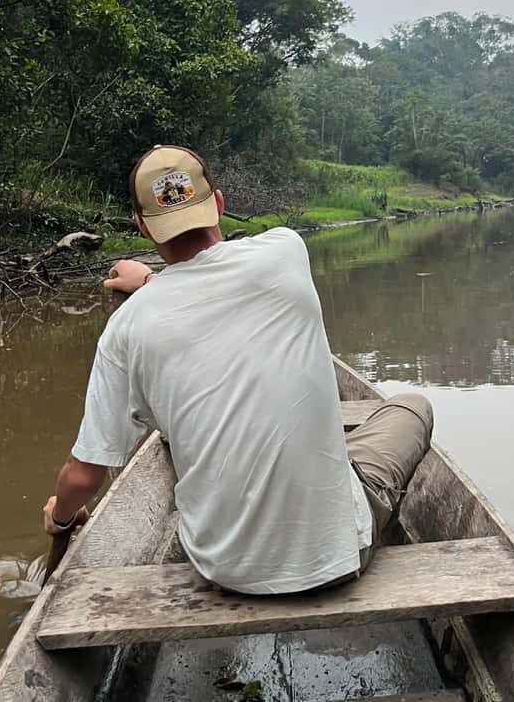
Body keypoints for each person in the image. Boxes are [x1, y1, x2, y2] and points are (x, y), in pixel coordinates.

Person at [42, 145, 434, 594]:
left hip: (223, 570)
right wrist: (149, 282)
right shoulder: (286, 250)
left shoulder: (125, 329)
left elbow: (84, 473)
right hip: (339, 559)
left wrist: (61, 517)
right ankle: (364, 527)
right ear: (220, 204)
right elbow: (210, 279)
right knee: (412, 407)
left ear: (142, 226)